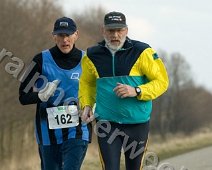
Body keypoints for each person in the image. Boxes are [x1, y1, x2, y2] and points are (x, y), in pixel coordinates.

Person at [79, 11, 169, 170]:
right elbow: (87, 82)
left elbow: (162, 81)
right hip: (107, 124)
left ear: (126, 30)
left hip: (137, 124)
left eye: (119, 30)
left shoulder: (142, 51)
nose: (115, 35)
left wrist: (137, 90)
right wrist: (86, 104)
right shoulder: (92, 55)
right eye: (110, 30)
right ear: (103, 30)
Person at [19, 17, 92, 170]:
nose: (64, 40)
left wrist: (94, 106)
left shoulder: (88, 60)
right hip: (47, 131)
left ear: (76, 34)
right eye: (60, 35)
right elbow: (22, 97)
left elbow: (99, 90)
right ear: (54, 36)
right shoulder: (40, 60)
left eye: (68, 35)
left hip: (78, 129)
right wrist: (40, 96)